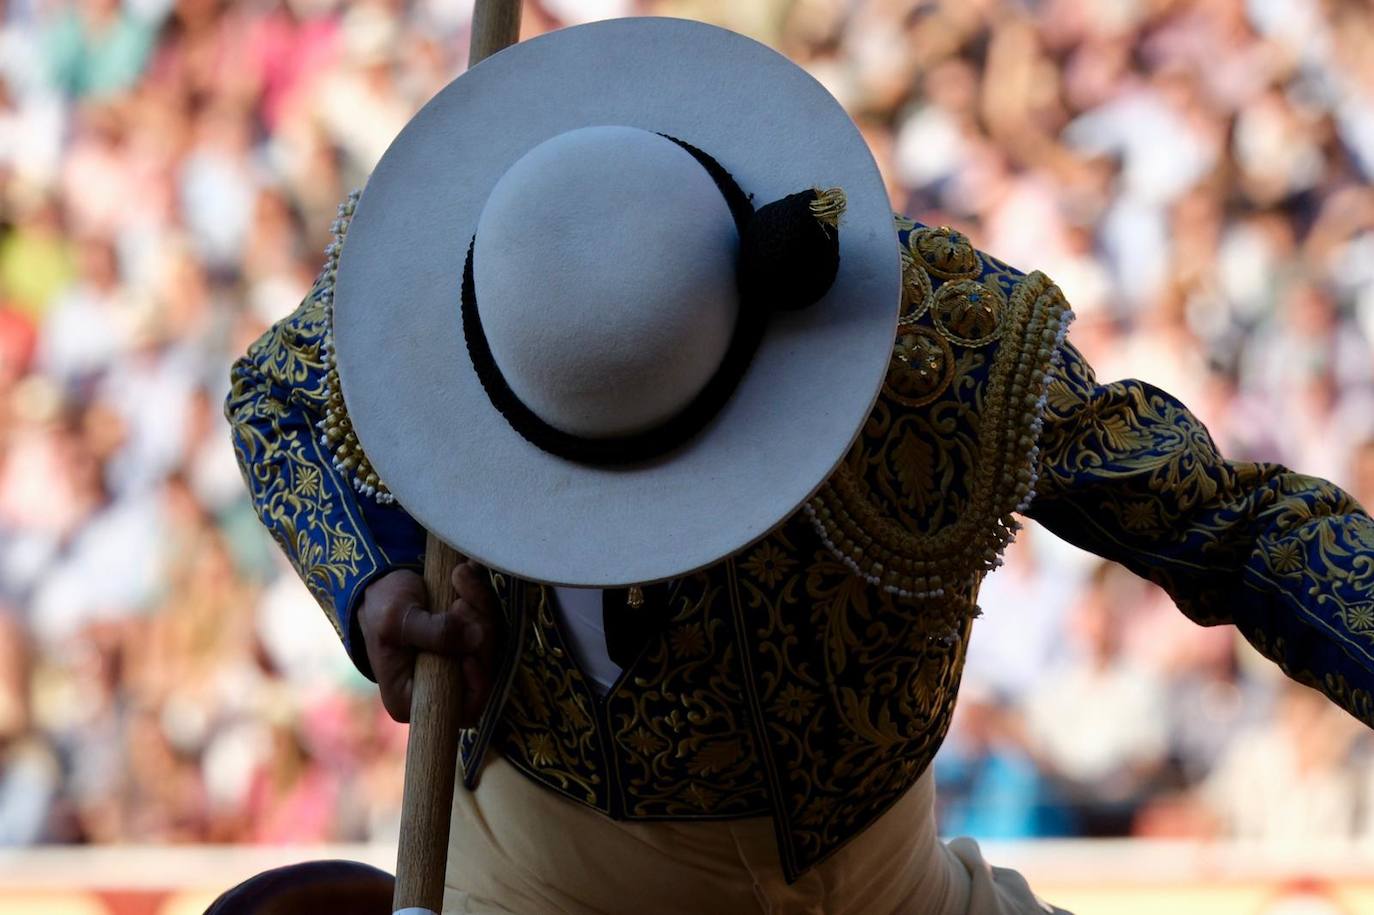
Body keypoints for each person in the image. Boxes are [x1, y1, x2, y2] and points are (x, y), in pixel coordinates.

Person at [226, 18, 1372, 915]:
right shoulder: (485, 283)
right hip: (539, 896)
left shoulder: (935, 347)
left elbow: (1234, 531)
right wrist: (372, 582)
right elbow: (274, 394)